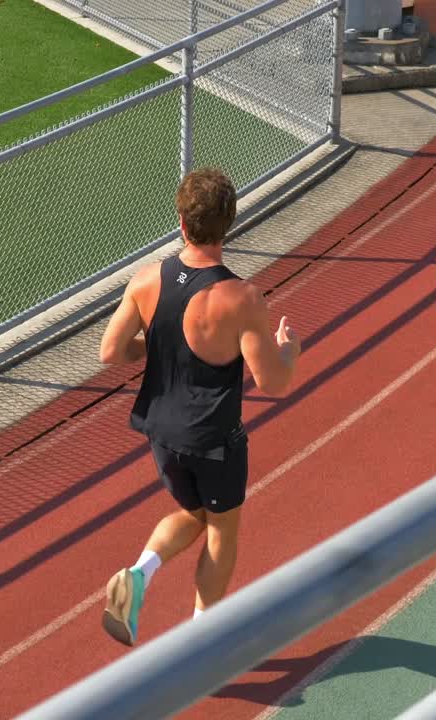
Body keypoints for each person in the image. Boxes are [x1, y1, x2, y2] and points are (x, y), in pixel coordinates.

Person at [97, 167, 301, 647]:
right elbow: (272, 382)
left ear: (182, 222)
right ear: (229, 224)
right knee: (221, 533)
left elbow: (110, 351)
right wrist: (289, 350)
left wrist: (158, 343)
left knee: (194, 515)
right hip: (214, 441)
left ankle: (139, 573)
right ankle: (200, 644)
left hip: (162, 434)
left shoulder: (146, 280)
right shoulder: (242, 298)